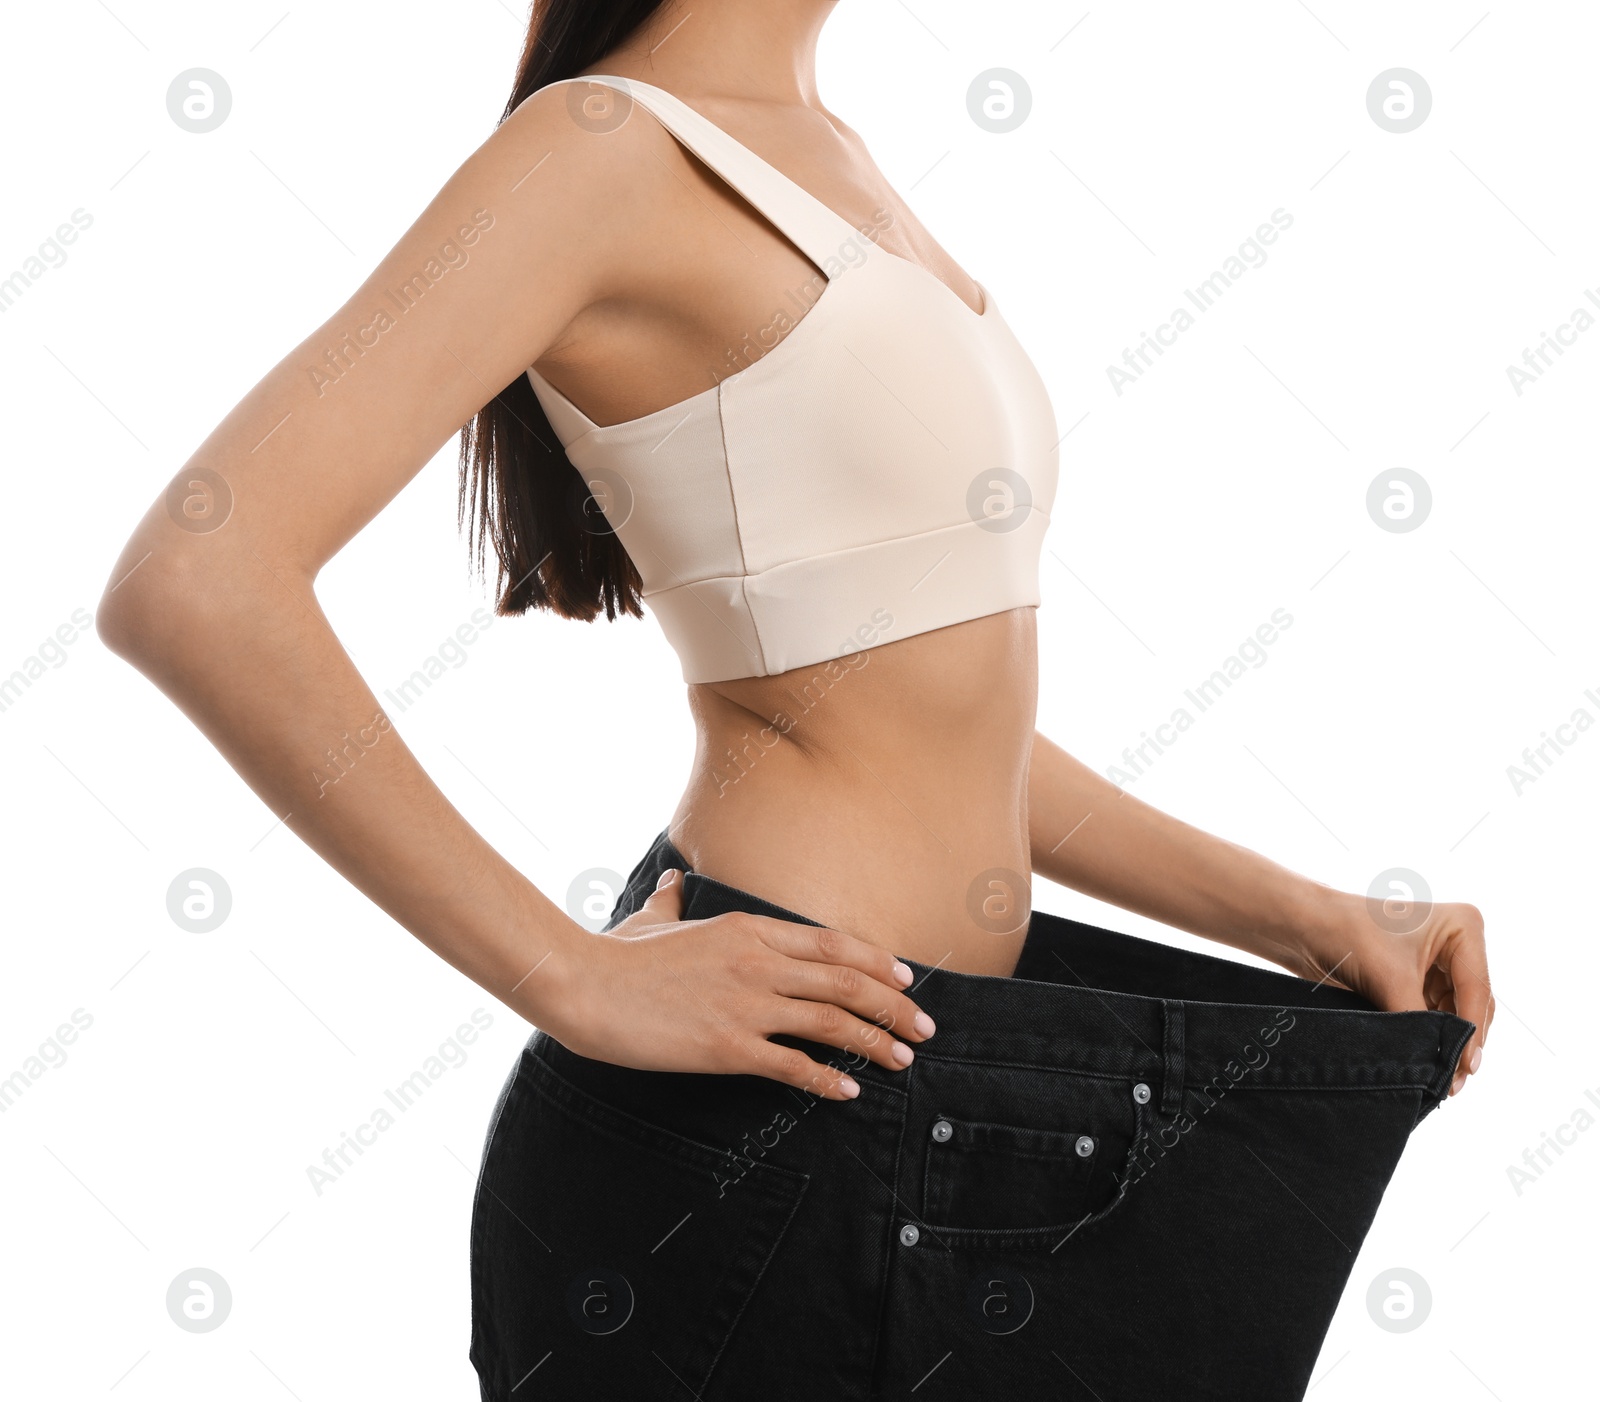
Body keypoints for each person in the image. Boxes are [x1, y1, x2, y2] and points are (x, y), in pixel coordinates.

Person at [96, 1, 1493, 1396]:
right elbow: (196, 577)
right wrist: (565, 972)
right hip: (760, 1136)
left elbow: (934, 718)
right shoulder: (598, 151)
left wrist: (1308, 916)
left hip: (949, 1101)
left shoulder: (828, 147)